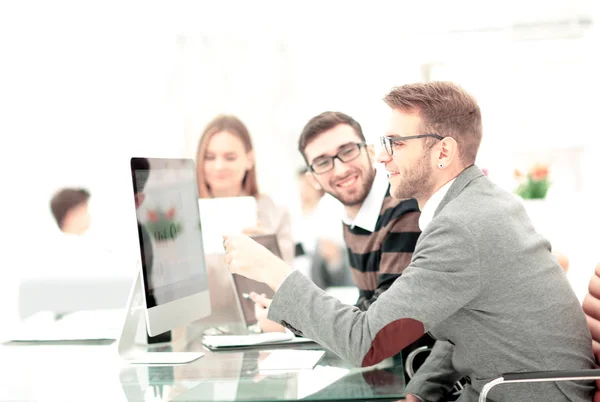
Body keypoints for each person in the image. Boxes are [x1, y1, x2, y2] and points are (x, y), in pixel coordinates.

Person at [223, 82, 595, 401]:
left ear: (444, 152)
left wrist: (272, 270)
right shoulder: (477, 204)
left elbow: (365, 342)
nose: (382, 156)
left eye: (397, 143)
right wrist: (420, 391)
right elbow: (460, 326)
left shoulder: (461, 227)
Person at [254, 111, 437, 384]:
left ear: (370, 151)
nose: (340, 169)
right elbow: (367, 310)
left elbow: (382, 333)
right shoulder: (354, 215)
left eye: (347, 151)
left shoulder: (403, 211)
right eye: (323, 162)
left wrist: (292, 309)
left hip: (421, 378)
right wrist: (289, 316)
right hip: (392, 371)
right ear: (313, 178)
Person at [195, 114, 294, 264]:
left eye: (230, 157)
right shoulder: (186, 215)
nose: (219, 166)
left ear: (249, 159)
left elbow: (287, 282)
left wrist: (265, 252)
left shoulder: (275, 215)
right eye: (209, 157)